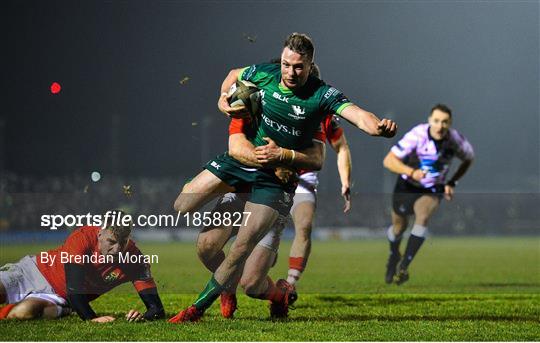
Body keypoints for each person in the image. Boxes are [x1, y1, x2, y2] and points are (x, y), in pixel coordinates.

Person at [170, 32, 396, 323]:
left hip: (276, 182)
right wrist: (221, 100)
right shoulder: (259, 82)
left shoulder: (320, 97)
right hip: (243, 169)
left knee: (246, 266)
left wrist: (378, 127)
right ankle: (227, 284)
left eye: (299, 67)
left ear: (310, 64)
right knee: (188, 216)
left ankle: (196, 310)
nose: (290, 72)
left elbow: (350, 122)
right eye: (287, 65)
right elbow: (232, 77)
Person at [0, 212, 165, 322]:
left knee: (21, 314)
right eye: (112, 242)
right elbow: (75, 289)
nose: (117, 249)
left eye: (123, 243)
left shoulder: (135, 260)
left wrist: (142, 317)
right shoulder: (82, 238)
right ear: (100, 234)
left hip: (60, 297)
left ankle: (62, 310)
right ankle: (62, 309)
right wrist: (91, 319)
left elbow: (156, 309)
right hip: (35, 272)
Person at [382, 104, 474, 285]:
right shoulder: (417, 135)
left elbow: (469, 158)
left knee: (422, 218)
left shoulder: (455, 140)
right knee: (398, 228)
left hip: (433, 188)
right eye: (437, 121)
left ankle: (404, 266)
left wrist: (452, 182)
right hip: (407, 185)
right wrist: (411, 172)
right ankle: (394, 255)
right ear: (430, 120)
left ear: (450, 123)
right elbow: (388, 161)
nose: (440, 126)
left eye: (445, 122)